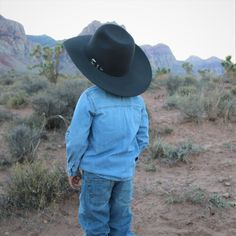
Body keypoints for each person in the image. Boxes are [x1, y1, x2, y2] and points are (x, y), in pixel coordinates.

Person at [64, 23, 152, 236]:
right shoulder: (137, 102)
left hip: (96, 175)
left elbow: (76, 140)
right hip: (125, 175)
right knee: (121, 225)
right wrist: (127, 159)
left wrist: (73, 169)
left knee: (95, 225)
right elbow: (143, 138)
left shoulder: (90, 99)